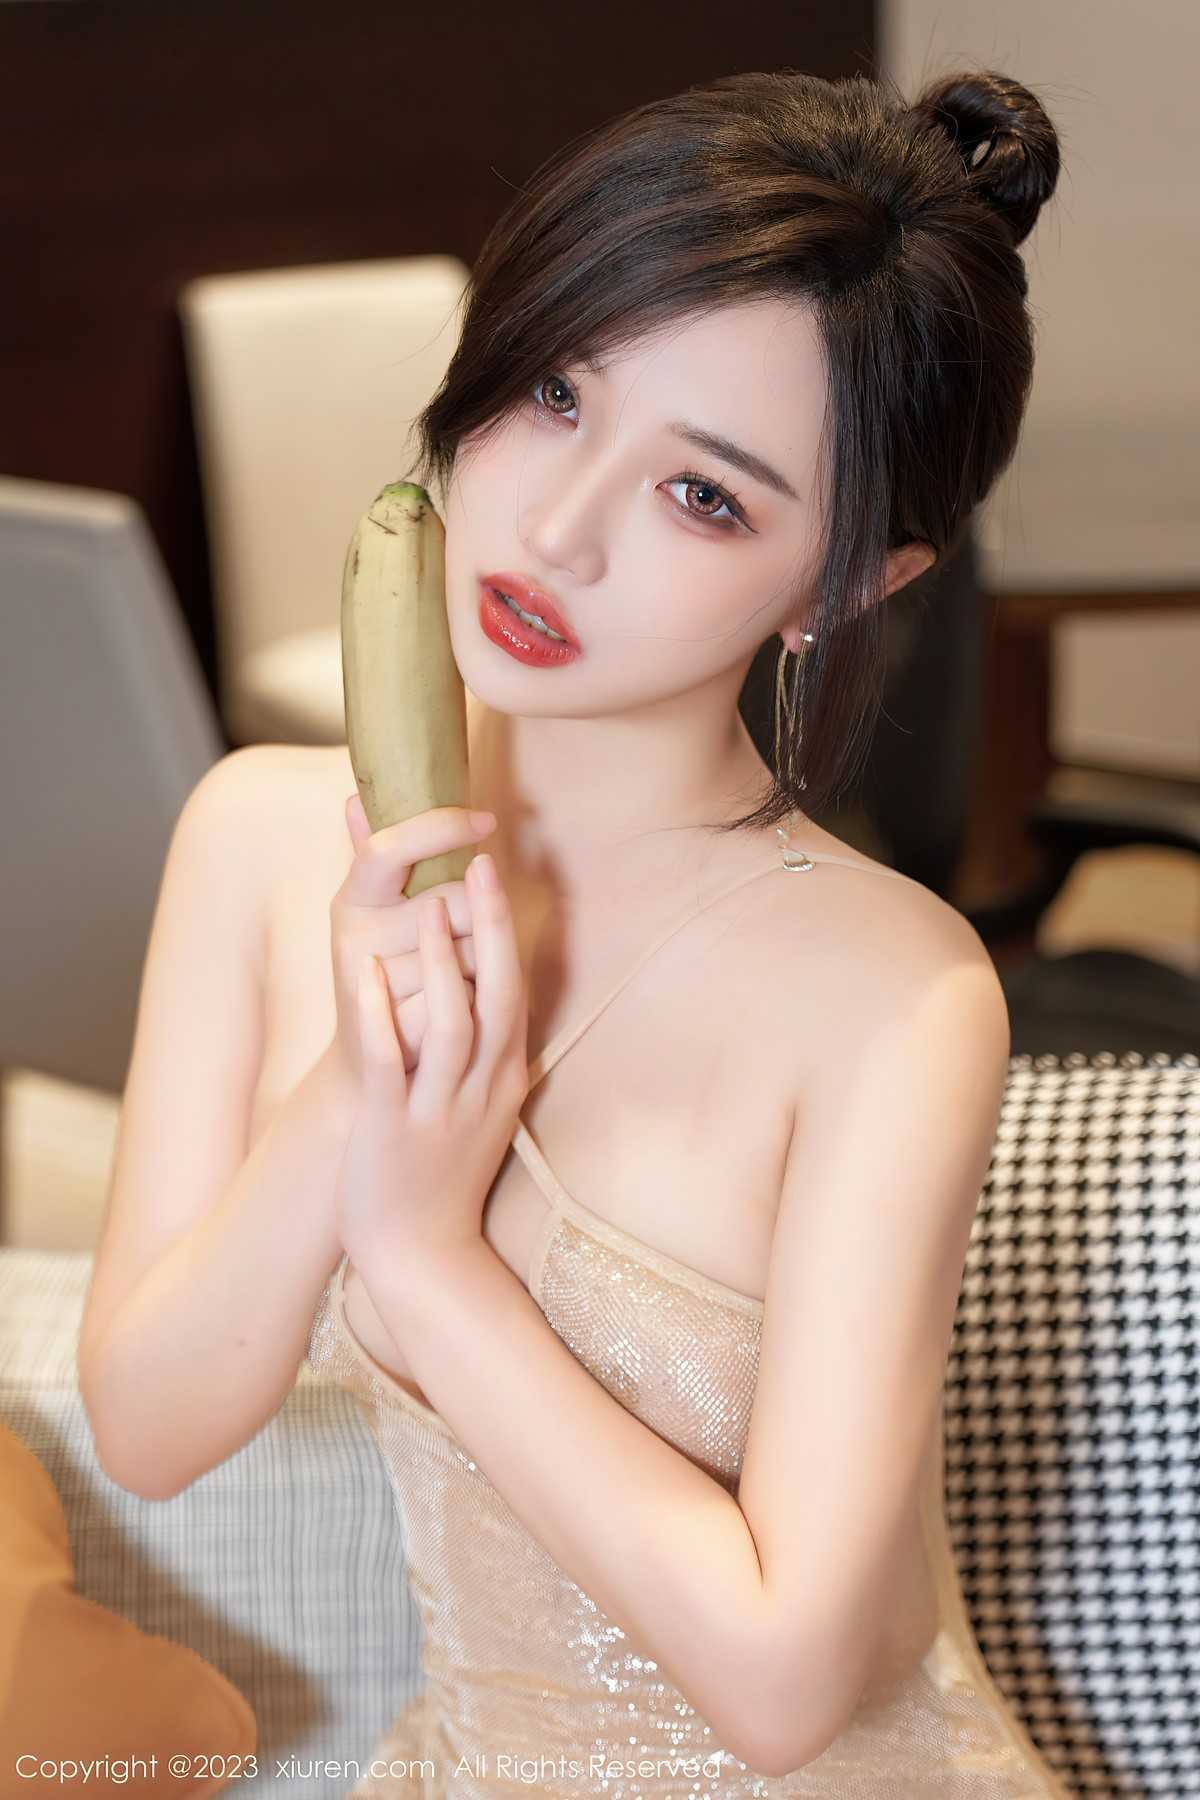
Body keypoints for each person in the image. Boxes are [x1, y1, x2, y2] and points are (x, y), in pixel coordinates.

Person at [80, 63, 1074, 1797]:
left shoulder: (897, 994)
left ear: (851, 583)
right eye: (555, 392)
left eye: (706, 496)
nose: (555, 528)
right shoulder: (258, 838)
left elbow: (787, 1689)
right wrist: (358, 1089)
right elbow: (150, 1429)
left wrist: (424, 1256)